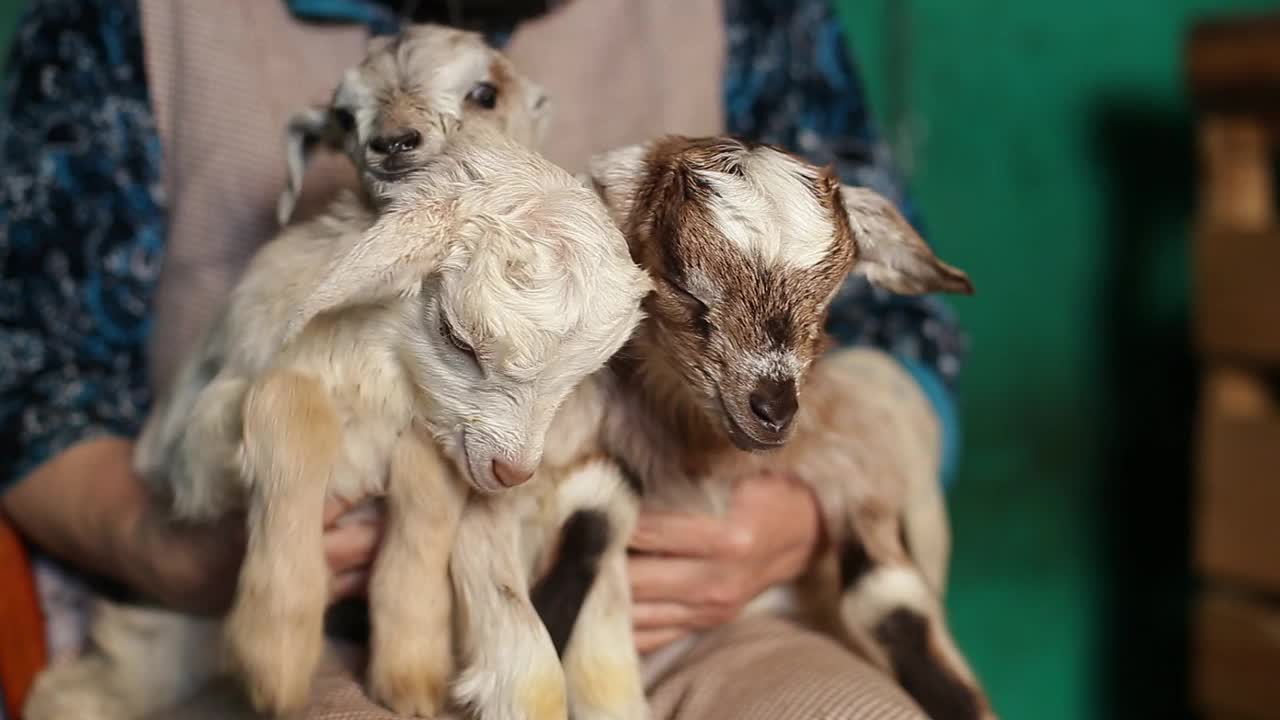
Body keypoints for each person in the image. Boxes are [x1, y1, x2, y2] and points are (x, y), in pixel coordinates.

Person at [0, 0, 969, 718]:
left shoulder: (748, 14)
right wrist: (174, 548)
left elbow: (899, 327)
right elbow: (28, 370)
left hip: (684, 592)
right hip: (295, 611)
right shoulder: (125, 21)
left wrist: (797, 516)